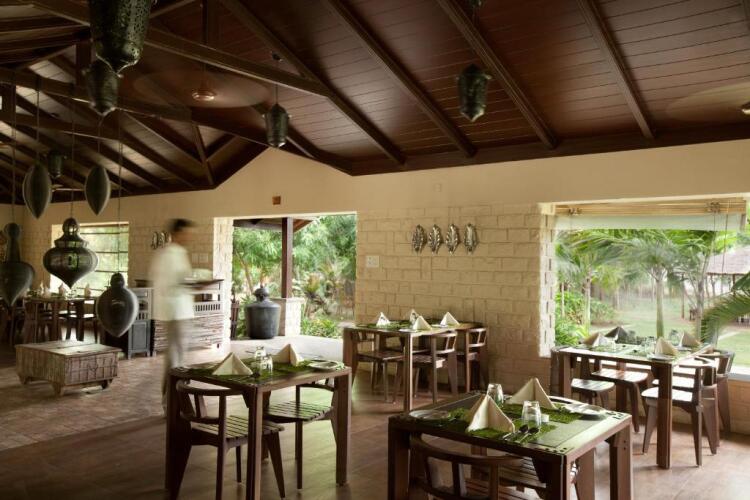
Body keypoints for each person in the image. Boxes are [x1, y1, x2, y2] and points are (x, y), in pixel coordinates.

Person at [151, 218, 195, 411]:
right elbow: (165, 284)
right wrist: (186, 284)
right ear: (177, 233)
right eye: (186, 233)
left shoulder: (180, 253)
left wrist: (189, 284)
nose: (189, 237)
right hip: (174, 311)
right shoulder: (166, 255)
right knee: (174, 360)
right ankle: (171, 404)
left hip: (182, 311)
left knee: (178, 358)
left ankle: (175, 402)